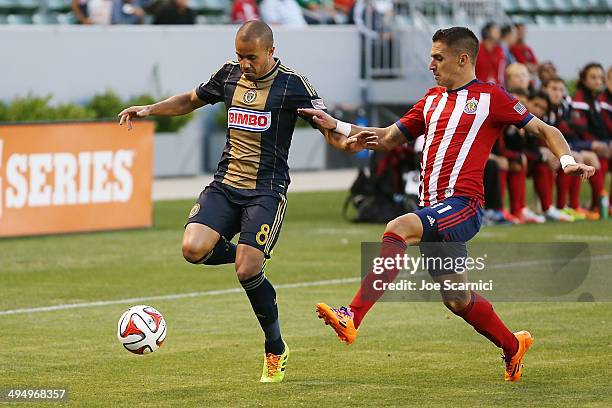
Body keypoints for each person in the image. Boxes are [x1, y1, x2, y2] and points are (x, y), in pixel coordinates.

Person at [299, 26, 594, 383]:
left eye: (438, 57)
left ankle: (352, 316)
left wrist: (566, 162)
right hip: (432, 209)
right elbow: (389, 138)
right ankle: (512, 345)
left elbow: (547, 130)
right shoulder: (431, 99)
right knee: (457, 299)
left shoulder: (491, 97)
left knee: (398, 228)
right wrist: (339, 125)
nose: (431, 64)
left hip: (463, 205)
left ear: (463, 58)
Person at [118, 21, 369, 383]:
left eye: (251, 57)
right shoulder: (229, 75)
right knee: (192, 249)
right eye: (239, 55)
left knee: (247, 270)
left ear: (271, 50)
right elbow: (191, 100)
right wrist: (149, 109)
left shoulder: (292, 84)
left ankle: (275, 348)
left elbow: (328, 128)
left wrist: (347, 142)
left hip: (266, 192)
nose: (245, 63)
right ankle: (248, 253)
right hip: (225, 184)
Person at [570, 63, 609, 217]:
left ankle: (599, 204)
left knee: (603, 152)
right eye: (593, 77)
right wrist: (593, 144)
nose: (598, 81)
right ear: (584, 79)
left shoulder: (596, 100)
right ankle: (599, 201)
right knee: (597, 153)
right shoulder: (580, 98)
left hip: (586, 143)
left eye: (600, 77)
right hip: (574, 143)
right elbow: (580, 129)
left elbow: (602, 128)